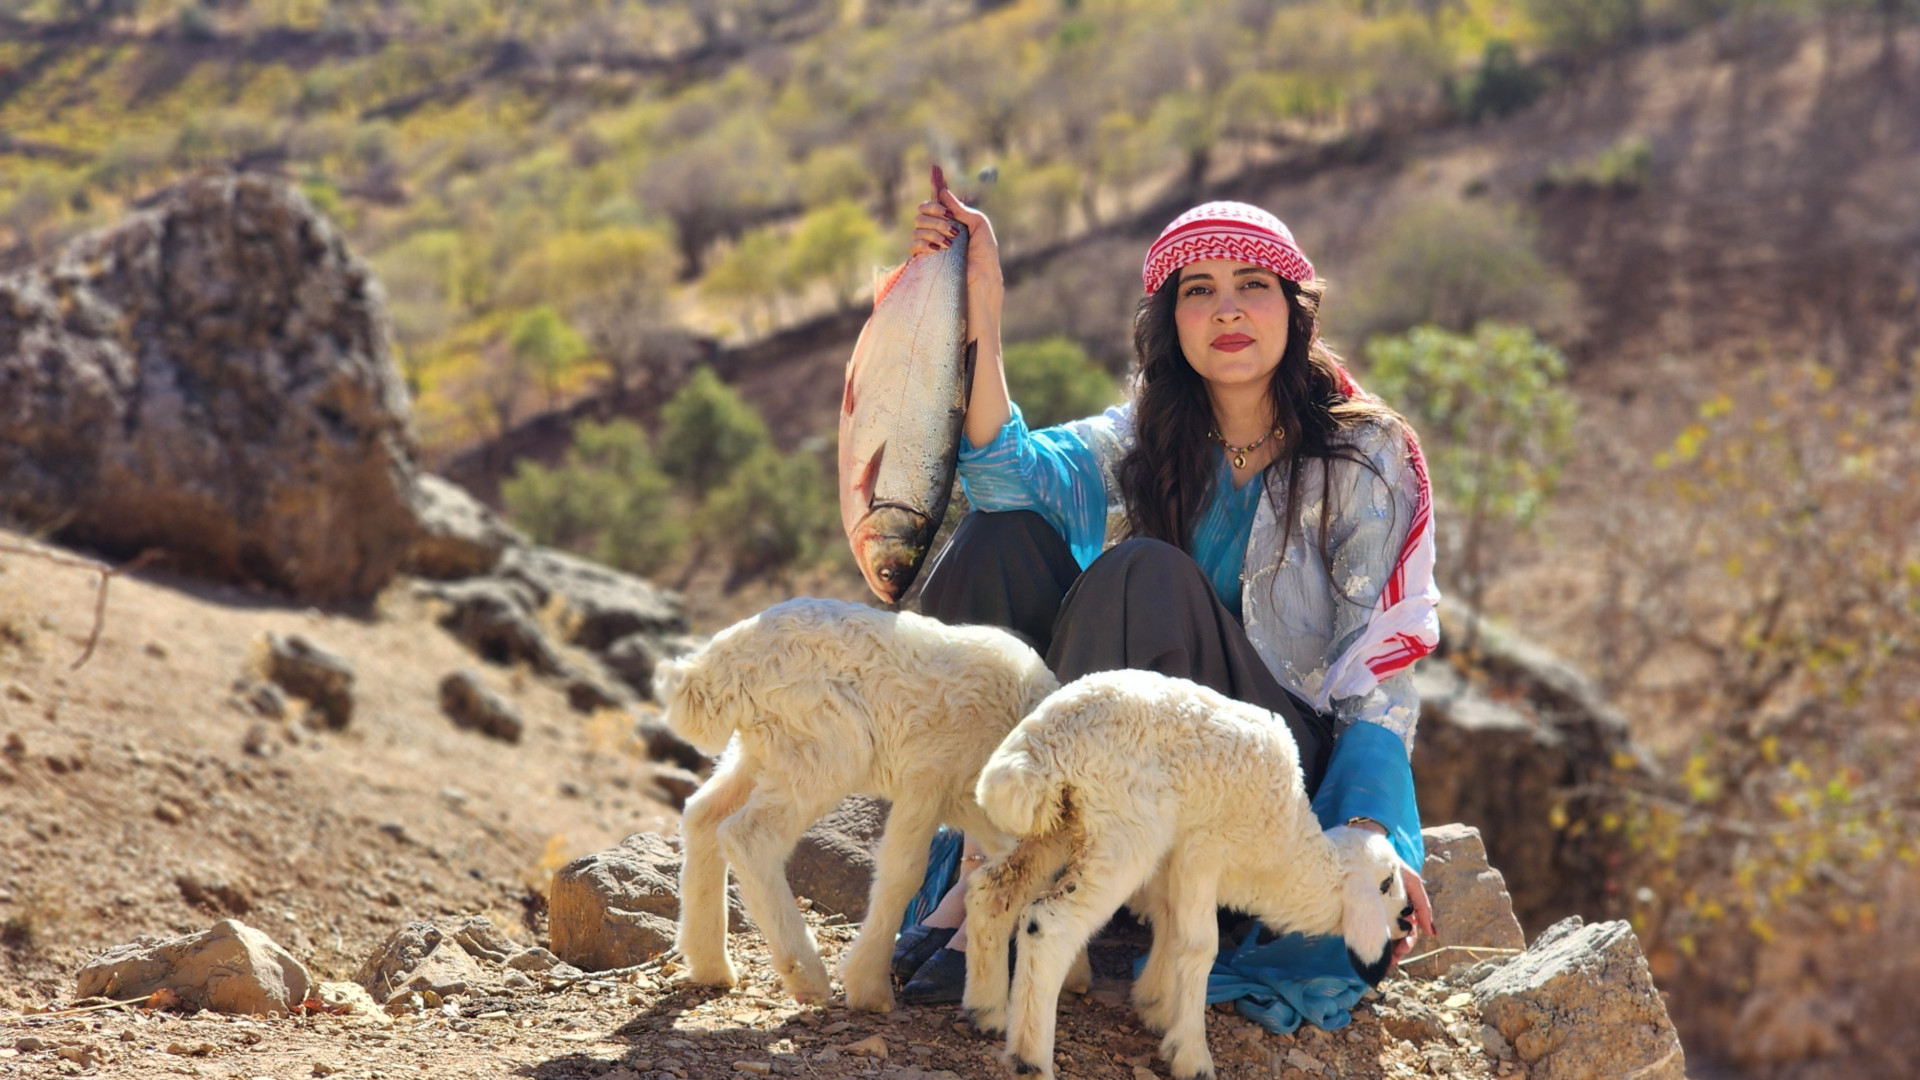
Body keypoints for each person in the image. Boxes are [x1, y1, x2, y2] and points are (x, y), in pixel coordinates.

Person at [886, 191, 1440, 1028]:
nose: (1227, 309)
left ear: (1295, 309)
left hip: (1267, 769)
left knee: (1143, 575)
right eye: (1198, 290)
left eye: (1253, 285)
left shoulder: (1365, 453)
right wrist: (982, 307)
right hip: (1148, 756)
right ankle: (989, 864)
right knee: (998, 539)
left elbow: (1378, 672)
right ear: (1171, 320)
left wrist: (1367, 830)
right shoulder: (1153, 429)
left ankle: (1016, 883)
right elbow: (1005, 478)